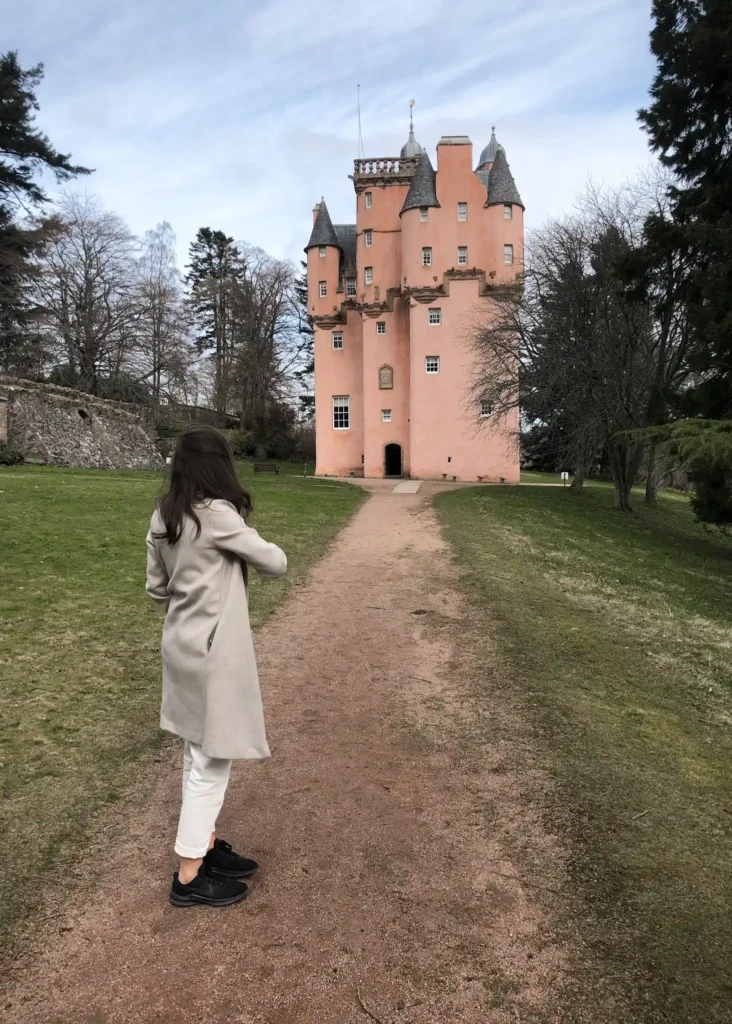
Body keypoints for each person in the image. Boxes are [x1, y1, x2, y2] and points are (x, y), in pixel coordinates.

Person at [145, 426, 287, 908]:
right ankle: (188, 875)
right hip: (212, 654)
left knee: (195, 751)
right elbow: (276, 562)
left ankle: (204, 846)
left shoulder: (164, 516)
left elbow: (156, 588)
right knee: (211, 761)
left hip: (180, 646)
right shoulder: (217, 515)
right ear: (218, 466)